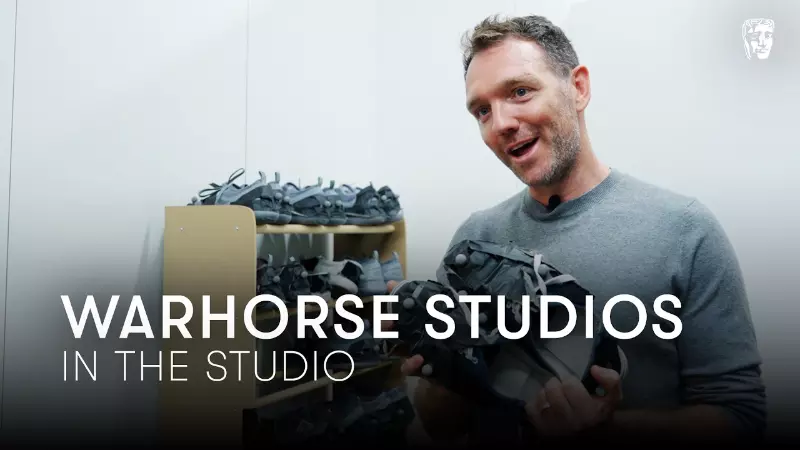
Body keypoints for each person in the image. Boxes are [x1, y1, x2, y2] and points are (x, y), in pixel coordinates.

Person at [387, 14, 766, 446]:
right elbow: (442, 427)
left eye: (520, 91)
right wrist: (446, 364)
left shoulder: (685, 230)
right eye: (482, 111)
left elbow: (741, 417)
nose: (500, 123)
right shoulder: (474, 240)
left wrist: (607, 429)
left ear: (579, 88)